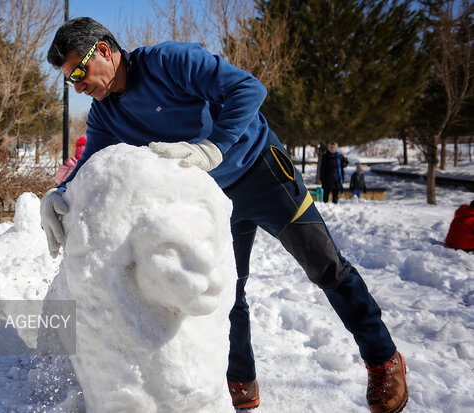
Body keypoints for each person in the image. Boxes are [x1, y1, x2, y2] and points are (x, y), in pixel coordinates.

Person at [40, 17, 407, 413]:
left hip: (262, 172)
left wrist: (214, 146)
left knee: (326, 266)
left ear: (106, 51)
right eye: (69, 79)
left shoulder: (168, 61)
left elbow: (249, 88)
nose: (77, 85)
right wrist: (59, 193)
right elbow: (91, 156)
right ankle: (239, 379)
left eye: (79, 71)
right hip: (212, 198)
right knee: (227, 293)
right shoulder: (105, 115)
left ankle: (383, 358)